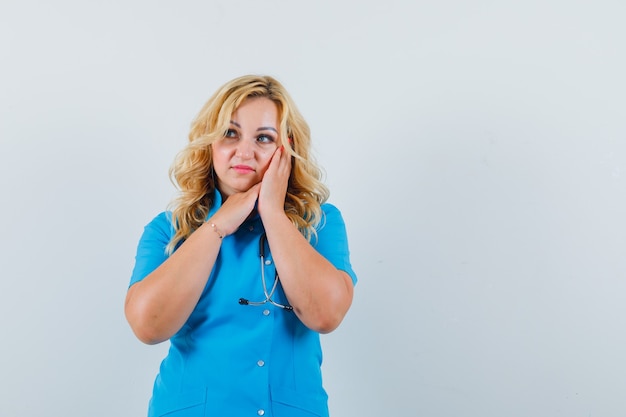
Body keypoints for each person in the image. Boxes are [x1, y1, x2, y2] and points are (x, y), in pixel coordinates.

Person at [124, 74, 357, 417]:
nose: (244, 151)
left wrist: (274, 214)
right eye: (230, 133)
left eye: (263, 138)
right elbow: (148, 326)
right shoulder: (169, 229)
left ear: (285, 151)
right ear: (210, 142)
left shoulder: (319, 223)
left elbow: (326, 315)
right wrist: (217, 227)